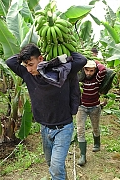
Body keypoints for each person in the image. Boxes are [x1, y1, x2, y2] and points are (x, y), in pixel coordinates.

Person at [6, 43, 87, 179]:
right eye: (26, 65)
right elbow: (10, 61)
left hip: (63, 128)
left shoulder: (62, 72)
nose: (29, 69)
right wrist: (28, 52)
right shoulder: (27, 75)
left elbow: (81, 60)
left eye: (31, 64)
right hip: (45, 128)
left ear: (41, 58)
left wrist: (63, 46)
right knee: (52, 164)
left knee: (55, 167)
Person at [76, 60, 107, 166]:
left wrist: (95, 61)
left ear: (95, 70)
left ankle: (97, 144)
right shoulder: (80, 80)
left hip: (95, 107)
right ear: (83, 69)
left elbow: (103, 70)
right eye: (87, 70)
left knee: (95, 128)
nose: (89, 73)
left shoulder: (97, 78)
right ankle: (83, 156)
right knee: (80, 130)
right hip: (82, 108)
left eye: (91, 71)